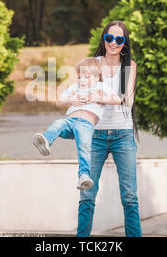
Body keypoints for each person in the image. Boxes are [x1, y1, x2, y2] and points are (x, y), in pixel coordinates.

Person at [77, 20, 142, 237]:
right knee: (87, 195)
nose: (113, 42)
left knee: (130, 197)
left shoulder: (129, 66)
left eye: (119, 39)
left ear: (124, 43)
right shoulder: (93, 64)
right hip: (94, 135)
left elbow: (128, 101)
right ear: (104, 39)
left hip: (123, 135)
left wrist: (99, 96)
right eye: (109, 38)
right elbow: (80, 94)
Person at [32, 57, 122, 190]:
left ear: (97, 77)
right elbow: (59, 102)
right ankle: (46, 140)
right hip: (69, 121)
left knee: (84, 147)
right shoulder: (74, 87)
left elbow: (117, 100)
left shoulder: (101, 87)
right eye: (80, 77)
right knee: (58, 123)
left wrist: (100, 98)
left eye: (87, 77)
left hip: (85, 125)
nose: (82, 80)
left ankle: (84, 176)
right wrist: (70, 100)